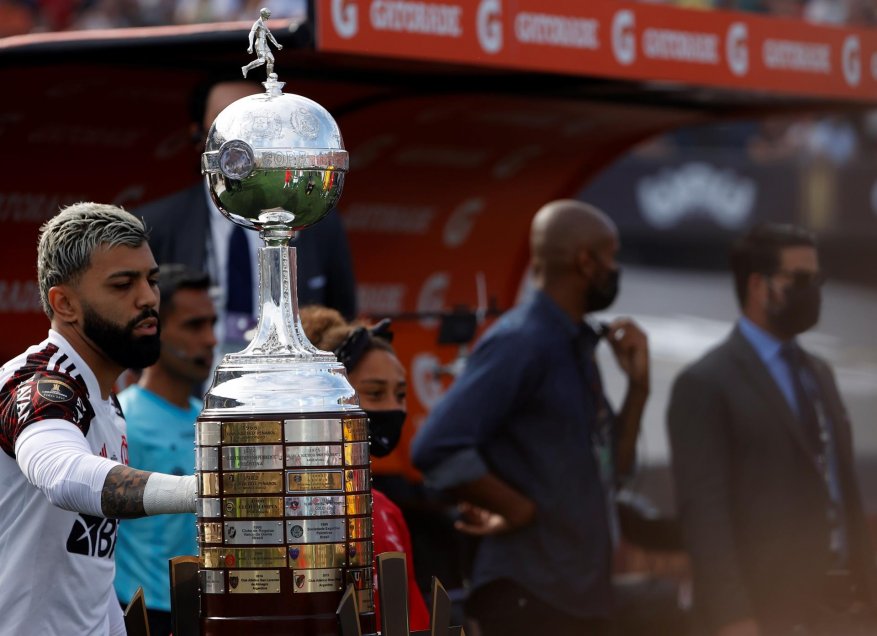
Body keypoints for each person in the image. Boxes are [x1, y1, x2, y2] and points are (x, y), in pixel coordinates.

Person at [410, 199, 650, 636]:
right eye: (611, 257)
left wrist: (639, 389)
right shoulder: (523, 341)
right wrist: (515, 507)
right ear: (585, 261)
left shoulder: (576, 343)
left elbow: (615, 466)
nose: (615, 268)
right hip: (531, 592)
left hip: (577, 592)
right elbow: (436, 445)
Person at [667, 223, 877, 636]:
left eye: (817, 278)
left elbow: (842, 487)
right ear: (759, 287)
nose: (813, 289)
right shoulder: (706, 382)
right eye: (800, 279)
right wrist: (733, 617)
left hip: (843, 609)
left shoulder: (819, 373)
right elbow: (705, 516)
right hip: (765, 612)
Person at [0, 203, 197, 635]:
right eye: (123, 284)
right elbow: (63, 475)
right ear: (64, 303)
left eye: (151, 280)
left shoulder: (105, 398)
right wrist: (204, 493)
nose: (147, 298)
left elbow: (90, 572)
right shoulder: (37, 384)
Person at [136, 78, 357, 358]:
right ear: (198, 137)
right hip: (187, 391)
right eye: (229, 126)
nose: (247, 143)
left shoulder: (317, 221)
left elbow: (341, 317)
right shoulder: (157, 224)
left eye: (259, 126)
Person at [300, 305, 430, 631]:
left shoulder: (386, 511)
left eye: (400, 394)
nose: (392, 407)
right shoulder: (292, 509)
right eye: (374, 393)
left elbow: (412, 620)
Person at [114, 265, 217, 635]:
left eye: (211, 324)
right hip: (143, 614)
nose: (209, 339)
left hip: (207, 610)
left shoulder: (211, 422)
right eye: (193, 326)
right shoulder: (121, 418)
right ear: (154, 328)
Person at [241, 7, 282, 79]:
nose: (268, 17)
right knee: (262, 60)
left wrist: (277, 44)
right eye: (267, 15)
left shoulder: (264, 24)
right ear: (263, 14)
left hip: (265, 44)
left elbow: (270, 35)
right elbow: (251, 33)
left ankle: (270, 78)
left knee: (271, 59)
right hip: (259, 43)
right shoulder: (257, 23)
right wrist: (250, 46)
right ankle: (246, 68)